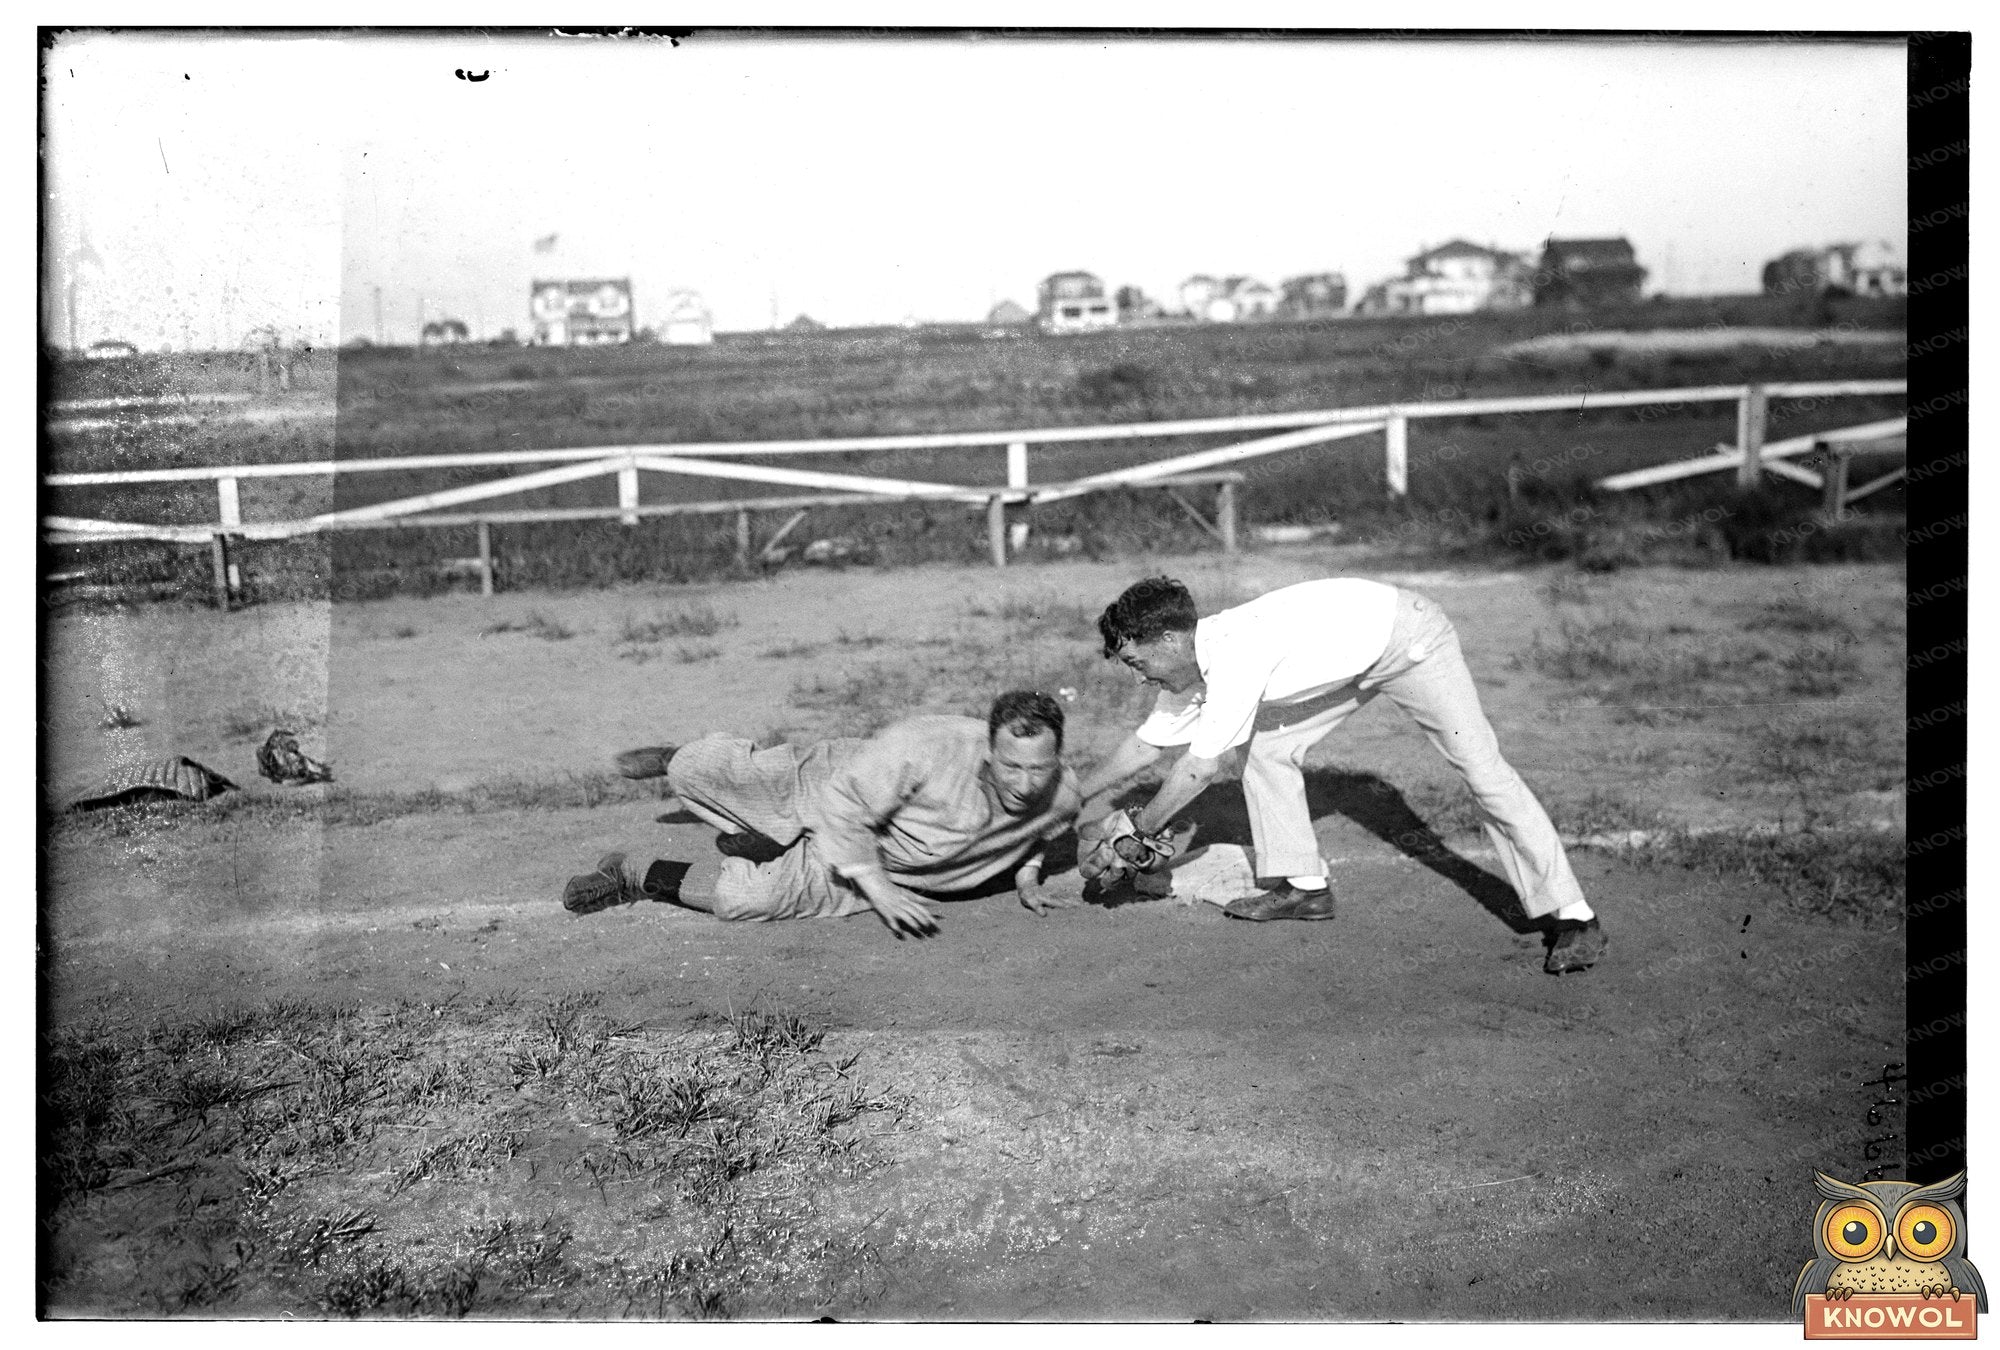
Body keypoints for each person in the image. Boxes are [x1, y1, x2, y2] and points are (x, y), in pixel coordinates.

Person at [1080, 576, 1605, 974]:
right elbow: (1146, 745)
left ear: (1169, 640)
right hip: (1352, 658)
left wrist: (1138, 832)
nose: (1137, 673)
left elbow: (1198, 767)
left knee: (1481, 769)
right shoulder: (1189, 667)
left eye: (1134, 659)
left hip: (1411, 638)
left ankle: (1574, 917)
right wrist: (1070, 799)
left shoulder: (1235, 654)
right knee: (1264, 744)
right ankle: (1304, 888)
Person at [563, 690, 1084, 938]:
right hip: (840, 786)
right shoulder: (927, 748)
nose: (1025, 784)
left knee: (745, 898)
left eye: (1040, 770)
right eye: (1011, 769)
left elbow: (1037, 831)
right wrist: (879, 891)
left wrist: (1028, 877)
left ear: (1057, 760)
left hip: (884, 860)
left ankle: (628, 872)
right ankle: (679, 758)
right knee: (715, 779)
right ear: (989, 755)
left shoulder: (1062, 791)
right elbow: (843, 811)